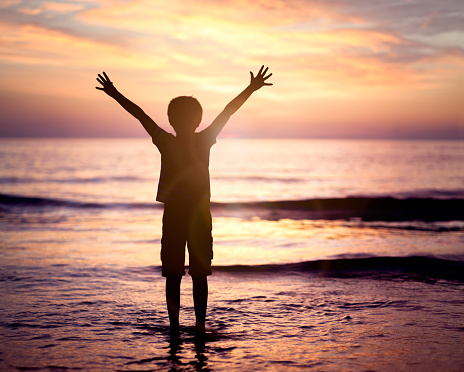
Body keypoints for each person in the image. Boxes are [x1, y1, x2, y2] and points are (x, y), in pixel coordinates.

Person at [96, 66, 273, 333]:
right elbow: (227, 111)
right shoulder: (204, 139)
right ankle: (198, 326)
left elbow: (141, 115)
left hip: (178, 214)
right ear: (198, 120)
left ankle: (176, 327)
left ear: (171, 120)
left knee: (176, 275)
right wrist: (250, 88)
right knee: (193, 275)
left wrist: (115, 94)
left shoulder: (166, 141)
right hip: (197, 214)